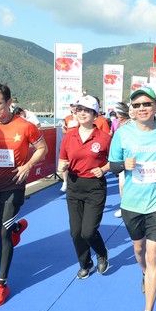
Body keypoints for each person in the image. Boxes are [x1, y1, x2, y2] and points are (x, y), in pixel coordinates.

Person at [108, 86, 156, 311]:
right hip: (132, 203)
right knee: (139, 250)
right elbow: (112, 165)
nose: (141, 108)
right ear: (131, 109)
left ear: (155, 106)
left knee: (153, 253)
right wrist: (122, 165)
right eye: (136, 105)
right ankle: (145, 274)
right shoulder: (122, 133)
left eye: (146, 104)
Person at [0, 83, 48, 308]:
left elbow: (42, 148)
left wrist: (27, 166)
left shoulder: (25, 126)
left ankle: (1, 284)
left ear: (9, 103)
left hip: (14, 186)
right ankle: (16, 229)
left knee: (3, 234)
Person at [57, 95, 111, 279]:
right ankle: (85, 263)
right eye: (79, 110)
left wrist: (103, 169)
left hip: (95, 187)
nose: (82, 113)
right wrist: (62, 166)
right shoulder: (69, 136)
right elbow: (62, 160)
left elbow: (114, 161)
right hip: (74, 186)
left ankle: (102, 253)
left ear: (95, 115)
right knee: (75, 232)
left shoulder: (104, 138)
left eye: (87, 110)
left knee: (88, 231)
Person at [60, 103, 79, 193]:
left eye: (75, 107)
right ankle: (65, 182)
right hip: (68, 142)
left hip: (78, 142)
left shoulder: (81, 117)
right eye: (72, 107)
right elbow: (64, 130)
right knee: (65, 161)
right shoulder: (67, 118)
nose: (73, 109)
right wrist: (65, 129)